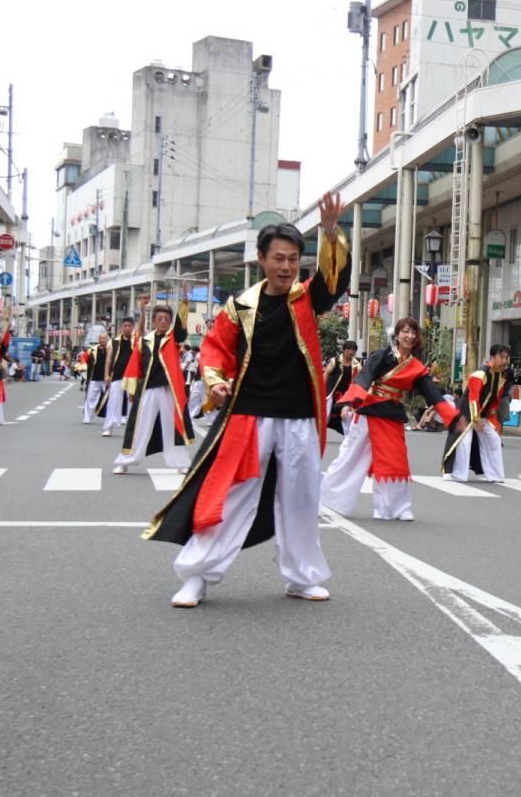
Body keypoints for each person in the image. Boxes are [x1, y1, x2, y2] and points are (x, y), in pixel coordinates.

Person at [142, 206, 351, 608]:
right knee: (230, 495)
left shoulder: (308, 298)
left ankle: (302, 577)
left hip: (299, 416)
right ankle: (197, 576)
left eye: (293, 259)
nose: (286, 267)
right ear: (261, 259)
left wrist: (330, 233)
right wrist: (216, 381)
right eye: (279, 258)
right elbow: (215, 350)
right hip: (248, 415)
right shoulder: (239, 307)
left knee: (301, 500)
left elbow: (334, 279)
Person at [318, 317, 459, 521]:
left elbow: (432, 393)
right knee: (350, 457)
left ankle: (395, 508)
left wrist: (451, 416)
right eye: (405, 331)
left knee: (396, 461)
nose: (409, 336)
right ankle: (327, 500)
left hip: (392, 414)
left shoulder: (416, 367)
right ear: (397, 334)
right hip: (369, 411)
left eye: (413, 332)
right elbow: (365, 376)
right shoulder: (382, 355)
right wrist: (350, 402)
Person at [112, 297, 195, 475]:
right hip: (147, 390)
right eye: (159, 318)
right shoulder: (145, 341)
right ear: (154, 321)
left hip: (169, 390)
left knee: (173, 427)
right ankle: (125, 461)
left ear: (170, 321)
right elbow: (135, 364)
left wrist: (184, 301)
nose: (163, 321)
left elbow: (181, 327)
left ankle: (181, 462)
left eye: (166, 319)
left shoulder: (174, 338)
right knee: (139, 426)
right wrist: (132, 389)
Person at [443, 344, 512, 482]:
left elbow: (495, 400)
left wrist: (490, 418)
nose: (505, 361)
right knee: (464, 441)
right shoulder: (480, 374)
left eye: (507, 358)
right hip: (466, 413)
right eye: (502, 357)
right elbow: (473, 398)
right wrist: (476, 419)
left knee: (494, 439)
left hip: (482, 414)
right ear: (493, 357)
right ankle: (454, 473)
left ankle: (495, 475)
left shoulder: (501, 375)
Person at [100, 317, 135, 437]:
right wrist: (106, 374)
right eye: (125, 326)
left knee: (132, 404)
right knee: (113, 402)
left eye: (130, 326)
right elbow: (108, 359)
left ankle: (132, 430)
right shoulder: (114, 342)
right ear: (121, 327)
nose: (127, 328)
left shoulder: (137, 341)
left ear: (133, 328)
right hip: (117, 375)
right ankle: (108, 428)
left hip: (132, 377)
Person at [324, 340, 360, 435]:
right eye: (349, 349)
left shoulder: (356, 365)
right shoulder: (335, 361)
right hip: (332, 393)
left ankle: (347, 437)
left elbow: (359, 381)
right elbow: (326, 373)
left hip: (346, 395)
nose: (351, 351)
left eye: (353, 349)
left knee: (344, 417)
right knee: (326, 416)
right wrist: (321, 390)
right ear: (344, 350)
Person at [82, 333, 110, 425]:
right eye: (101, 338)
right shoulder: (92, 350)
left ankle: (112, 418)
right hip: (94, 378)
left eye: (104, 338)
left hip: (107, 379)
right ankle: (87, 417)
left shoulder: (111, 349)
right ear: (98, 339)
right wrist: (82, 367)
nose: (102, 340)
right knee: (90, 398)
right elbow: (83, 359)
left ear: (107, 339)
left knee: (110, 399)